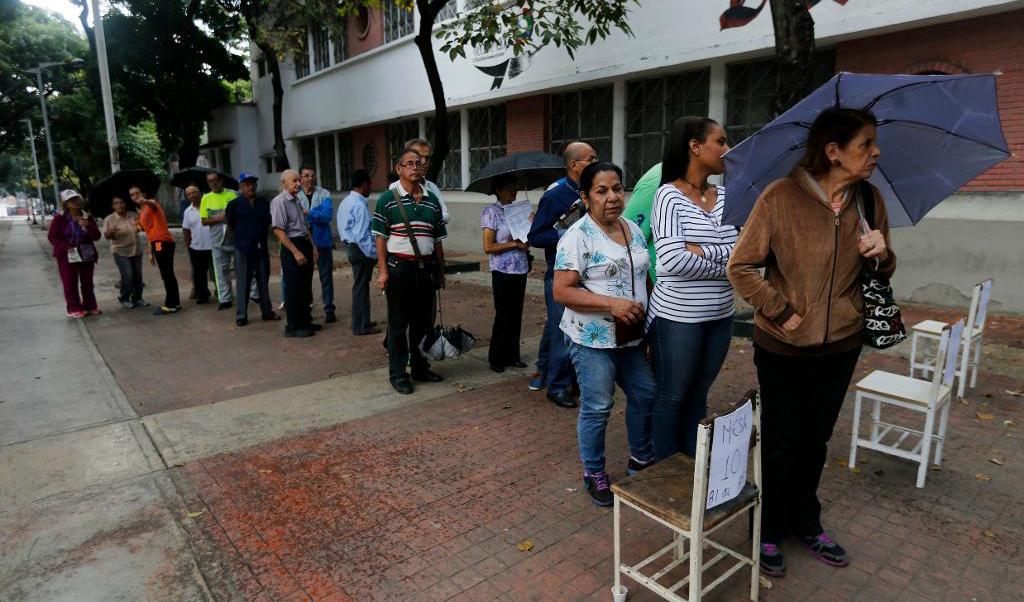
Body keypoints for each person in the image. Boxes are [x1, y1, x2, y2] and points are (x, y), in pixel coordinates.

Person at [727, 108, 894, 577]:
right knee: (780, 441)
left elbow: (882, 271)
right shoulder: (781, 197)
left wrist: (882, 256)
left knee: (816, 439)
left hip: (841, 343)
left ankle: (806, 520)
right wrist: (783, 310)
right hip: (783, 344)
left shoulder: (869, 201)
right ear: (833, 151)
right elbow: (740, 267)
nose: (875, 152)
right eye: (865, 145)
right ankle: (768, 527)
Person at [553, 161, 655, 507]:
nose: (612, 197)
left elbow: (644, 274)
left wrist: (649, 321)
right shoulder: (577, 237)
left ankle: (641, 460)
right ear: (585, 196)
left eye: (617, 188)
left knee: (645, 393)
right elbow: (562, 292)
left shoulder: (633, 229)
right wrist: (611, 304)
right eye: (602, 191)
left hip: (630, 336)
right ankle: (593, 472)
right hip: (591, 338)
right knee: (598, 405)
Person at [649, 117, 737, 459]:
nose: (727, 150)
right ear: (695, 146)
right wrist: (726, 261)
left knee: (700, 392)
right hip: (678, 317)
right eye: (721, 141)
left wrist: (700, 251)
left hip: (721, 316)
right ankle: (663, 470)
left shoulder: (730, 196)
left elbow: (745, 255)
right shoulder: (668, 196)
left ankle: (690, 466)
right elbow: (671, 261)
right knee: (672, 394)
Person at [528, 141, 598, 408]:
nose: (595, 163)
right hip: (561, 274)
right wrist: (566, 235)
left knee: (577, 330)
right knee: (563, 333)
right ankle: (557, 386)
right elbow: (535, 235)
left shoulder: (591, 191)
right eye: (590, 159)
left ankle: (569, 379)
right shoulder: (555, 194)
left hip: (588, 274)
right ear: (573, 164)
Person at [373, 148, 446, 395]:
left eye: (419, 163)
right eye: (410, 163)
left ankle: (419, 367)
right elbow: (380, 239)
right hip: (399, 269)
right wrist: (383, 272)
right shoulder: (387, 199)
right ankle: (397, 374)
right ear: (399, 169)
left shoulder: (432, 200)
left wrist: (441, 270)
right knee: (397, 324)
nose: (415, 167)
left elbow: (437, 240)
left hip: (426, 270)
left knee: (423, 323)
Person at [481, 172, 530, 372]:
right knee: (503, 313)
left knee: (516, 313)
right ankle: (496, 357)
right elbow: (488, 246)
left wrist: (529, 231)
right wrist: (513, 244)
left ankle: (513, 355)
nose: (514, 192)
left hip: (520, 268)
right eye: (510, 188)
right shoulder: (491, 212)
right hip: (502, 269)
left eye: (516, 188)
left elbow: (526, 237)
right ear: (499, 190)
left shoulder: (518, 211)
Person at [226, 172, 278, 327]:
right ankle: (241, 315)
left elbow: (269, 222)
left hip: (261, 247)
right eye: (247, 184)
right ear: (241, 187)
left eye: (253, 184)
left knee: (263, 279)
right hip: (242, 247)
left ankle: (266, 311)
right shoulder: (234, 204)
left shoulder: (264, 203)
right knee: (243, 282)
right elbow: (231, 224)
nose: (251, 187)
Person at [271, 169, 319, 337]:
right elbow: (278, 230)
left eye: (299, 180)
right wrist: (295, 251)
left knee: (305, 286)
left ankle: (305, 320)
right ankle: (293, 326)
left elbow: (304, 226)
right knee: (293, 287)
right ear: (284, 182)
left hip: (303, 242)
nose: (299, 183)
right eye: (294, 181)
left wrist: (312, 246)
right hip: (292, 246)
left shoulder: (296, 200)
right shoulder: (280, 202)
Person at [338, 169, 381, 336]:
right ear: (364, 185)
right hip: (360, 249)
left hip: (352, 247)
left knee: (360, 287)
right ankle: (361, 325)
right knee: (361, 287)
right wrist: (375, 254)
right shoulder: (359, 205)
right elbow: (362, 236)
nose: (370, 188)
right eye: (369, 185)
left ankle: (363, 321)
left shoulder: (347, 202)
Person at [48, 189, 101, 318]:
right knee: (69, 282)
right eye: (71, 200)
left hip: (86, 251)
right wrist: (66, 247)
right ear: (65, 203)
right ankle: (74, 308)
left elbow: (97, 236)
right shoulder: (59, 218)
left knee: (87, 281)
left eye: (77, 199)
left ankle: (90, 305)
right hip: (68, 253)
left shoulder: (86, 216)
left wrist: (88, 226)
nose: (75, 203)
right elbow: (52, 237)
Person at [131, 186, 181, 315]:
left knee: (167, 273)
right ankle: (175, 302)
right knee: (167, 273)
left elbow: (152, 203)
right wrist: (150, 252)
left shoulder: (151, 205)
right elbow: (147, 232)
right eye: (132, 195)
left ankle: (171, 304)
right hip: (157, 242)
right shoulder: (142, 213)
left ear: (143, 193)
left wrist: (145, 201)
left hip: (161, 241)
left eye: (137, 193)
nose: (135, 196)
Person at [300, 166, 337, 323]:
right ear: (300, 178)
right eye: (306, 176)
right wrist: (317, 213)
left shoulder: (324, 194)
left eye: (312, 175)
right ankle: (306, 307)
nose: (310, 178)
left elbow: (327, 216)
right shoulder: (295, 195)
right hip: (303, 242)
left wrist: (308, 213)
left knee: (326, 277)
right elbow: (296, 218)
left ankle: (329, 308)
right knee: (304, 278)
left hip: (322, 241)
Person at [200, 172, 239, 310]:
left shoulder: (233, 194)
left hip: (235, 240)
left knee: (242, 268)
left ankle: (250, 294)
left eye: (216, 180)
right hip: (217, 242)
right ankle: (225, 298)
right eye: (210, 181)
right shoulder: (206, 198)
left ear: (221, 180)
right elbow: (204, 221)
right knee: (221, 271)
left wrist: (230, 217)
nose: (214, 183)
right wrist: (219, 218)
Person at [388, 138, 449, 225]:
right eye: (419, 157)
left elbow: (445, 216)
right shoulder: (395, 188)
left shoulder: (432, 187)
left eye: (427, 158)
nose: (424, 162)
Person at [102, 195, 146, 308]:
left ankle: (137, 298)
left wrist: (142, 218)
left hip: (136, 249)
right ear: (113, 206)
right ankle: (124, 298)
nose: (120, 205)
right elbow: (107, 236)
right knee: (128, 275)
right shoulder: (109, 219)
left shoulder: (133, 214)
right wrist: (111, 231)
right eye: (116, 203)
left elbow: (142, 226)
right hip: (120, 251)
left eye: (121, 202)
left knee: (138, 276)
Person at [181, 186, 213, 305]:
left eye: (194, 192)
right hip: (197, 246)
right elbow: (186, 230)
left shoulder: (210, 205)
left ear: (200, 192)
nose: (192, 195)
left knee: (217, 273)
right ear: (187, 197)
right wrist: (189, 245)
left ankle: (223, 294)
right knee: (199, 274)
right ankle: (202, 295)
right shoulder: (187, 212)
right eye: (189, 194)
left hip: (214, 245)